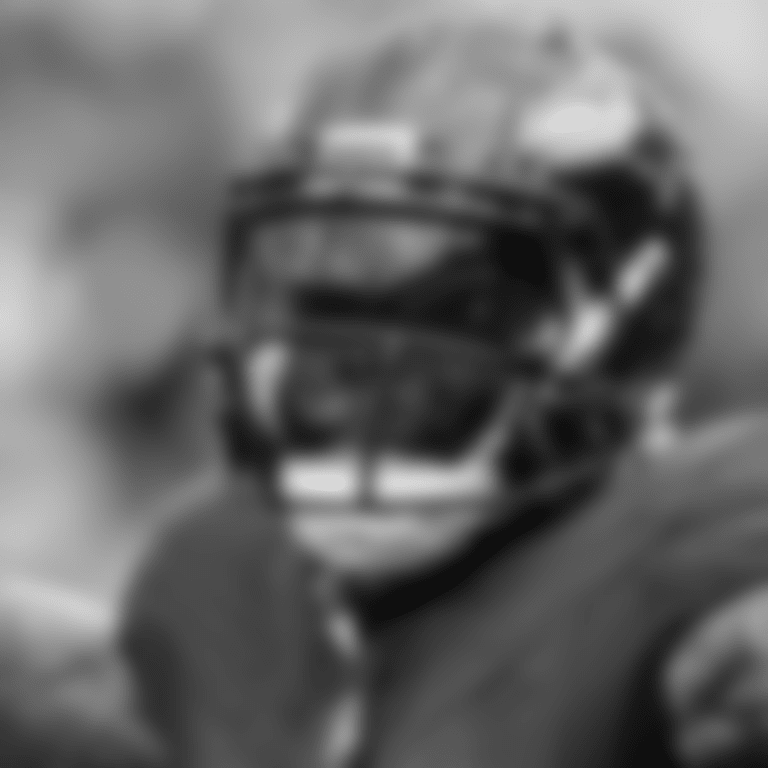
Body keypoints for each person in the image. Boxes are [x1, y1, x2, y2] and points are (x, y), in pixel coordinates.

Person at [120, 21, 768, 768]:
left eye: (447, 311)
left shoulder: (691, 548)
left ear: (622, 313)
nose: (348, 381)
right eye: (320, 305)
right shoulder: (213, 571)